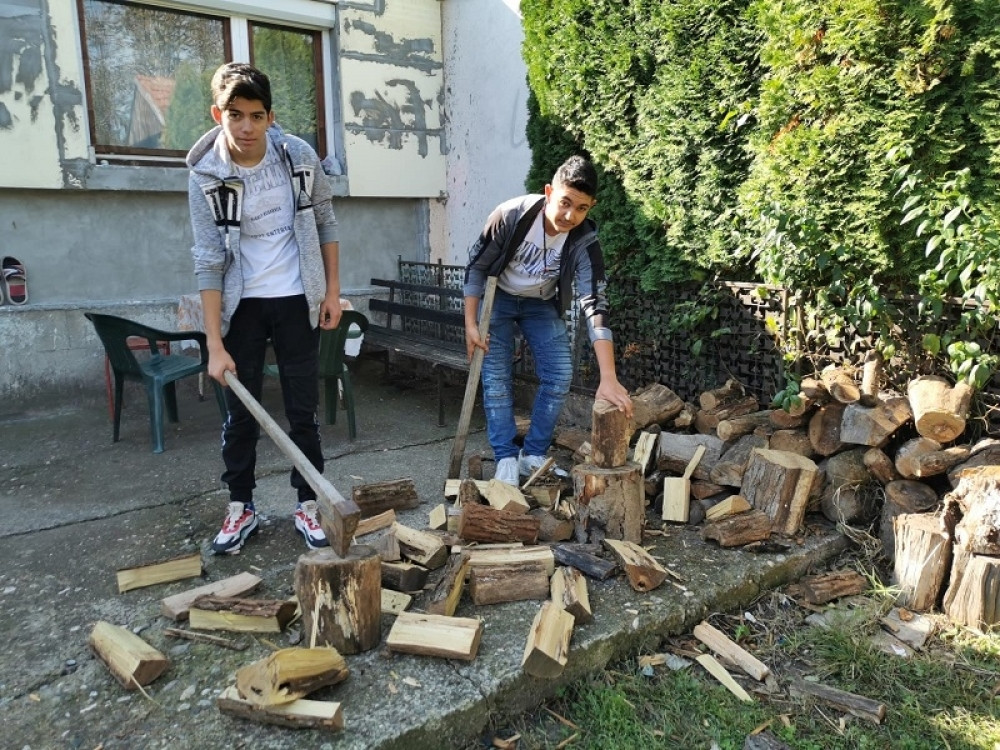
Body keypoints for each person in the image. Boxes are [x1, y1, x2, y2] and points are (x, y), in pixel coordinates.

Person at [187, 62, 342, 554]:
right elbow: (208, 259)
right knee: (241, 414)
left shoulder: (296, 157)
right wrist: (214, 342)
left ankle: (308, 502)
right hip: (243, 307)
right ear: (218, 114)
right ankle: (241, 507)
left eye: (256, 115)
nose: (247, 127)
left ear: (271, 117)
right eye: (235, 115)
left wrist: (331, 292)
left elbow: (325, 221)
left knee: (303, 408)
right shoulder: (206, 175)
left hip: (298, 299)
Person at [463, 155, 633, 485]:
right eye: (565, 203)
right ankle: (505, 459)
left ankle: (533, 454)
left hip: (541, 304)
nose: (570, 215)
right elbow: (476, 267)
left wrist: (608, 377)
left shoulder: (585, 241)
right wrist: (470, 323)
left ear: (591, 206)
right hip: (497, 299)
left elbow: (595, 303)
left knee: (559, 374)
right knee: (496, 378)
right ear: (548, 191)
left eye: (581, 208)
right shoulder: (510, 216)